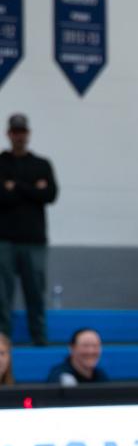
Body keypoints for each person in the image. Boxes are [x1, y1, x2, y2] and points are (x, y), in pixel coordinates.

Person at [0, 113, 58, 347]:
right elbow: (2, 197)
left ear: (28, 134)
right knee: (2, 296)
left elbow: (50, 194)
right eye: (15, 132)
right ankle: (2, 343)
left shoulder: (42, 164)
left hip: (34, 241)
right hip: (3, 240)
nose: (19, 136)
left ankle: (39, 339)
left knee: (36, 293)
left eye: (22, 132)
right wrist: (33, 189)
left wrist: (15, 186)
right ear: (9, 134)